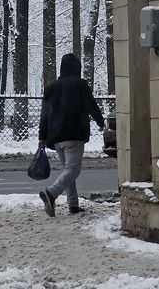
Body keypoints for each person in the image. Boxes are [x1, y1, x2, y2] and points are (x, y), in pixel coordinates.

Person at [37, 52, 105, 217]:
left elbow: (44, 113)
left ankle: (73, 205)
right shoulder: (80, 84)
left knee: (67, 170)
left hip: (56, 136)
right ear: (77, 68)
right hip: (74, 133)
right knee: (73, 170)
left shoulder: (51, 88)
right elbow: (91, 105)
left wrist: (42, 136)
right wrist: (101, 122)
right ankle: (51, 193)